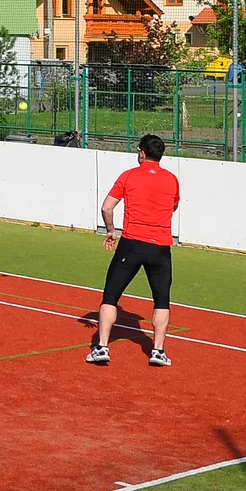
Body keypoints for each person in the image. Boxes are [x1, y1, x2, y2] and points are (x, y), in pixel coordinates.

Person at [88, 132, 181, 368]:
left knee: (111, 296)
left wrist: (111, 230)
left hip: (131, 244)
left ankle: (102, 347)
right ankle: (158, 351)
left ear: (142, 153)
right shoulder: (171, 179)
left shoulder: (129, 176)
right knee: (162, 300)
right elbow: (174, 205)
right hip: (160, 247)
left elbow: (107, 207)